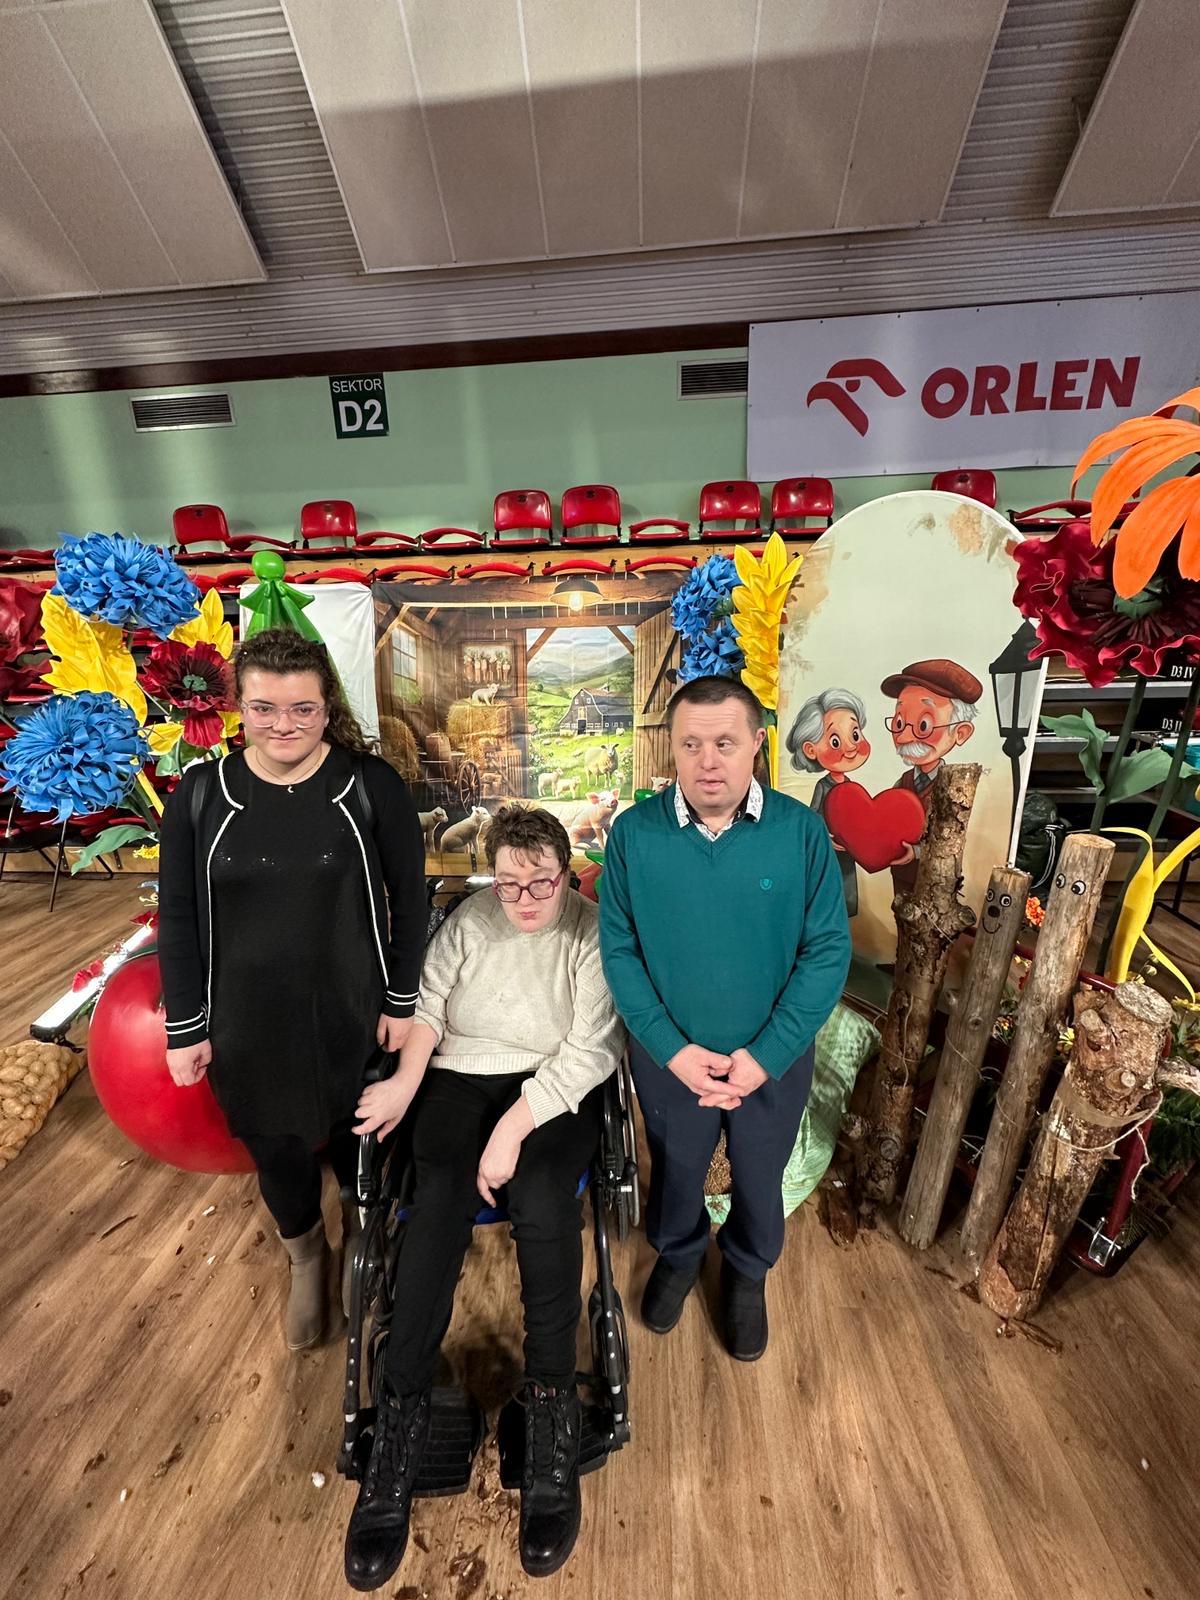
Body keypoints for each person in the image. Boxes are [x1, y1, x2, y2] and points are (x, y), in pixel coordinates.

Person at [343, 805, 623, 1591]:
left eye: (542, 884)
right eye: (508, 884)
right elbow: (428, 1007)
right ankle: (399, 1418)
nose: (525, 900)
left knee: (542, 1196)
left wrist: (512, 1128)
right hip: (459, 1076)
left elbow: (593, 1048)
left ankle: (550, 1404)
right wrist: (405, 1083)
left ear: (568, 875)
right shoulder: (470, 920)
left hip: (553, 1083)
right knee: (435, 1200)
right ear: (491, 876)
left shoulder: (589, 933)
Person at [158, 628, 426, 1352]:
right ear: (239, 707)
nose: (284, 724)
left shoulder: (368, 786)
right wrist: (186, 1026)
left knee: (360, 1135)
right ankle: (307, 1254)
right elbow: (178, 914)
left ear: (327, 706)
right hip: (245, 1021)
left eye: (303, 709)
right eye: (265, 708)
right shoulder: (202, 796)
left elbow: (411, 900)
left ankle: (364, 1233)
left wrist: (401, 1001)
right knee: (275, 1148)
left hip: (352, 1010)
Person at [599, 675, 850, 1361]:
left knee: (760, 1167)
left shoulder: (800, 834)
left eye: (725, 743)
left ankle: (746, 1269)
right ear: (672, 748)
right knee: (677, 1164)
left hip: (772, 1057)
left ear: (756, 745)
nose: (708, 761)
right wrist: (670, 1049)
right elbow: (619, 951)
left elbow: (827, 952)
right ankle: (679, 1253)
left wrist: (765, 1056)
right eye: (691, 744)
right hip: (669, 1057)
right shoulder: (634, 836)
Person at [883, 657, 981, 896]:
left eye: (923, 725)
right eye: (899, 722)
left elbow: (951, 838)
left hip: (938, 880)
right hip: (902, 874)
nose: (904, 737)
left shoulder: (954, 786)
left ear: (960, 732)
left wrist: (916, 852)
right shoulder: (903, 782)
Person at [785, 685, 872, 916]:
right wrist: (826, 837)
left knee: (847, 897)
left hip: (848, 853)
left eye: (855, 735)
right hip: (828, 853)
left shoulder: (853, 788)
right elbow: (812, 817)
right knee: (827, 896)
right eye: (835, 741)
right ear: (811, 750)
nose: (850, 747)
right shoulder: (823, 786)